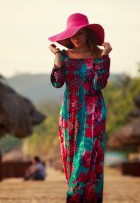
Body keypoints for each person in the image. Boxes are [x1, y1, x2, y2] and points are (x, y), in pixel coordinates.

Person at [48, 13, 112, 203]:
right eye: (72, 35)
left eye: (80, 33)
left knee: (87, 156)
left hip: (94, 113)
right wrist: (57, 57)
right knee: (71, 160)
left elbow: (98, 84)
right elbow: (57, 83)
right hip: (70, 113)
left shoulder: (99, 56)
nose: (75, 38)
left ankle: (74, 199)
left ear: (88, 34)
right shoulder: (65, 57)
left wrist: (105, 57)